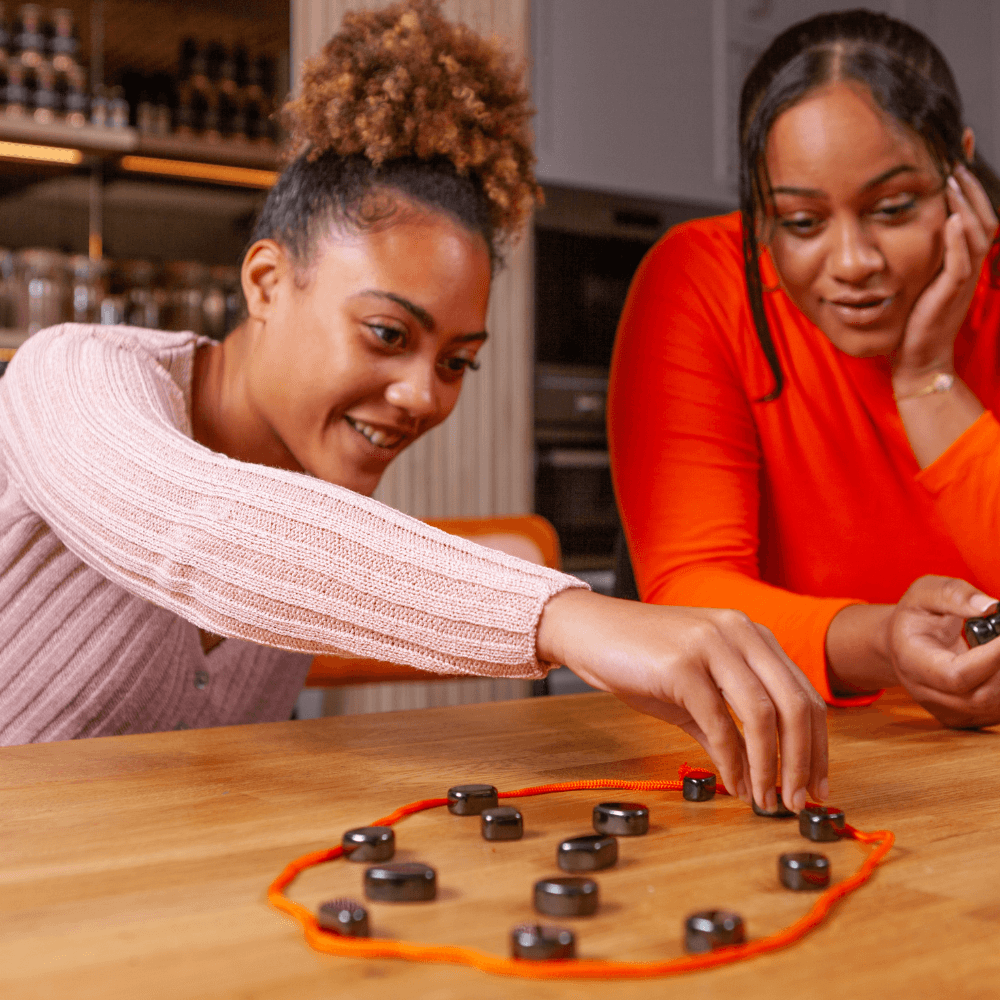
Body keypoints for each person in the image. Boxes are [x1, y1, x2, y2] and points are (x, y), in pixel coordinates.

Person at [0, 0, 826, 814]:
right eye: (388, 333)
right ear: (266, 283)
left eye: (457, 362)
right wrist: (565, 615)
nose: (425, 396)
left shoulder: (325, 497)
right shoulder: (67, 375)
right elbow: (199, 528)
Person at [609, 9, 1000, 732]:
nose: (853, 264)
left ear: (960, 170)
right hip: (786, 741)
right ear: (759, 214)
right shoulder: (701, 280)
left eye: (893, 207)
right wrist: (885, 644)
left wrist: (927, 381)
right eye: (801, 222)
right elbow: (688, 593)